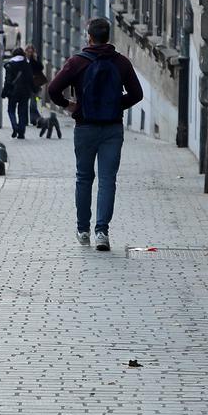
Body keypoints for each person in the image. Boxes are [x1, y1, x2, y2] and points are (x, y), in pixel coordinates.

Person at [46, 17, 143, 252]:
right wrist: (115, 105)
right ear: (108, 36)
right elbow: (137, 94)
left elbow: (52, 89)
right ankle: (102, 232)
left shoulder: (77, 62)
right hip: (112, 128)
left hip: (85, 127)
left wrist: (71, 106)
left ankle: (83, 230)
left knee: (84, 177)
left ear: (89, 36)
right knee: (107, 180)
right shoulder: (121, 62)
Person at [1, 46, 34, 138]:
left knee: (11, 110)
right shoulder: (27, 64)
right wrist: (34, 90)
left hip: (13, 91)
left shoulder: (10, 64)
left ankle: (15, 126)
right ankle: (21, 133)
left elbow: (7, 80)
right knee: (22, 112)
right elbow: (31, 79)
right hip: (25, 91)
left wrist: (4, 92)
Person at [24, 44, 47, 120]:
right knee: (26, 103)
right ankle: (28, 119)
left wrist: (35, 59)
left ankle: (34, 118)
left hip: (35, 84)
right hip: (26, 84)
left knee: (34, 102)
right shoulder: (24, 59)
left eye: (31, 51)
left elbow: (40, 67)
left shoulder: (35, 58)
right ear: (26, 51)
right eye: (28, 51)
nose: (30, 53)